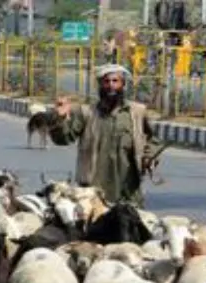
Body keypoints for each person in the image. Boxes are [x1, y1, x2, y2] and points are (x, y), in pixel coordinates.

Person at [48, 64, 164, 208]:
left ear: (123, 84)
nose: (111, 86)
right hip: (92, 191)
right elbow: (63, 139)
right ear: (100, 85)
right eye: (106, 82)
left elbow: (154, 140)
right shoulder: (86, 113)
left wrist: (148, 157)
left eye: (115, 81)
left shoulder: (137, 112)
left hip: (128, 190)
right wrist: (58, 118)